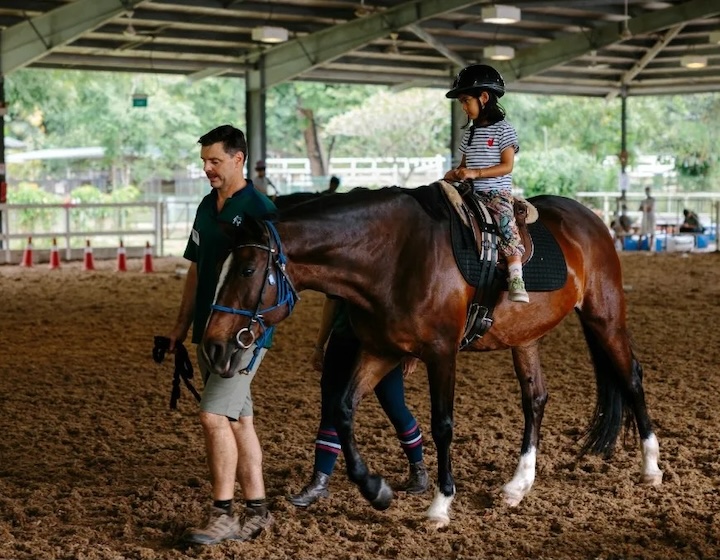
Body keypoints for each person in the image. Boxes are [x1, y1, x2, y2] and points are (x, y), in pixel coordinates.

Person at [166, 124, 277, 546]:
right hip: (207, 330)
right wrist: (179, 328)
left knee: (213, 416)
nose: (207, 169)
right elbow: (196, 269)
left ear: (238, 159)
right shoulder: (205, 206)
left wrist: (254, 326)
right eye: (204, 162)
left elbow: (270, 278)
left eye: (214, 161)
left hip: (241, 335)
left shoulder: (260, 210)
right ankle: (257, 510)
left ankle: (223, 515)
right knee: (239, 420)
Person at [287, 297, 429, 508]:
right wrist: (319, 345)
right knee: (332, 411)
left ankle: (418, 469)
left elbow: (413, 302)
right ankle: (320, 482)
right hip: (343, 341)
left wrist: (413, 351)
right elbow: (332, 302)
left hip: (381, 346)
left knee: (395, 408)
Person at [443, 64, 528, 304]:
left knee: (505, 223)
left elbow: (507, 166)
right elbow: (463, 164)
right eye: (460, 102)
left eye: (465, 100)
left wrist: (475, 172)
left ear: (484, 97)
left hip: (496, 193)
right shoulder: (469, 134)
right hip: (471, 193)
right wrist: (454, 174)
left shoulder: (504, 130)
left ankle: (515, 275)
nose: (463, 107)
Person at [638, 186, 656, 251]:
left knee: (652, 233)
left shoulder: (652, 200)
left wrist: (644, 208)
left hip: (651, 218)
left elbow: (649, 209)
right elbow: (640, 208)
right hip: (645, 218)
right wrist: (644, 208)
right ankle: (639, 246)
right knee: (642, 232)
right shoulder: (643, 201)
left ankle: (650, 247)